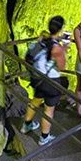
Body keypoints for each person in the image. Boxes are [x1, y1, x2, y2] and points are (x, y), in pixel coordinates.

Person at [21, 16, 69, 146]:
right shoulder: (57, 48)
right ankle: (44, 138)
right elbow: (62, 67)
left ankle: (26, 126)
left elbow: (31, 54)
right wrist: (64, 50)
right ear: (60, 30)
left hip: (38, 78)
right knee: (49, 110)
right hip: (50, 82)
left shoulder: (41, 39)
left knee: (35, 101)